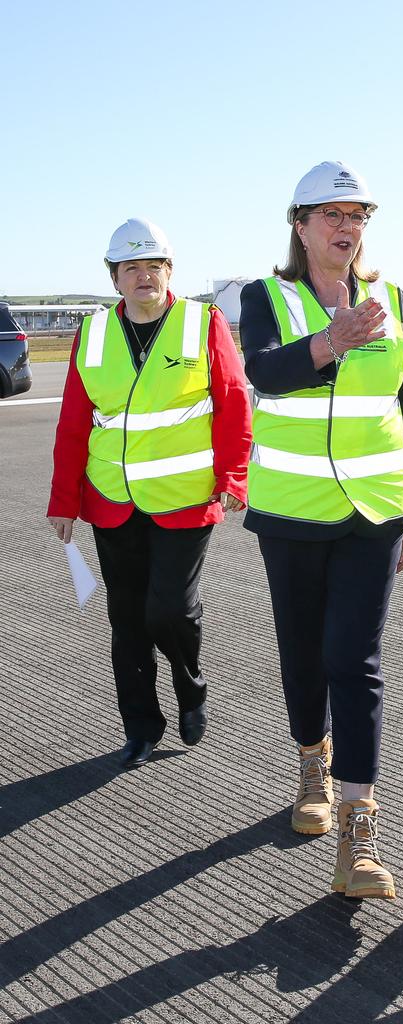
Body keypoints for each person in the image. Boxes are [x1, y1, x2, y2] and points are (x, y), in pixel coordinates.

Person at [240, 161, 403, 899]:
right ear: (301, 225)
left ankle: (359, 825)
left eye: (358, 217)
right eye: (332, 216)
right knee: (305, 650)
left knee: (357, 657)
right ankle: (311, 763)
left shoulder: (394, 299)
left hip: (373, 511)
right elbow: (264, 372)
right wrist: (331, 342)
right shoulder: (268, 296)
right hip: (292, 510)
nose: (347, 229)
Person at [47, 217, 252, 769]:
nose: (143, 276)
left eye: (153, 266)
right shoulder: (91, 335)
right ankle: (140, 727)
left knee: (170, 612)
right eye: (131, 267)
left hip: (186, 499)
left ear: (170, 272)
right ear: (115, 278)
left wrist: (235, 475)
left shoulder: (202, 323)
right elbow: (73, 423)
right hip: (111, 501)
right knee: (128, 622)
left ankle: (191, 687)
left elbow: (233, 402)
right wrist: (64, 500)